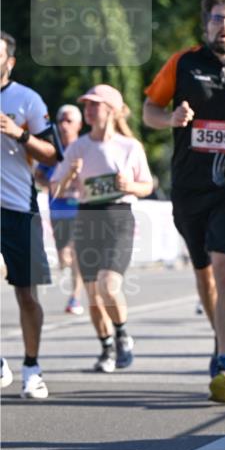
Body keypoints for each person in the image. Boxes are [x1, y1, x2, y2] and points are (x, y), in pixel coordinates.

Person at [143, 0, 225, 402]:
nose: (223, 25)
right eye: (216, 18)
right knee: (204, 274)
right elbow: (148, 111)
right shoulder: (183, 62)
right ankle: (220, 340)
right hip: (190, 186)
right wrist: (170, 118)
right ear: (206, 23)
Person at [52, 85, 153, 372]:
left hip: (118, 217)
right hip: (87, 217)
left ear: (110, 109)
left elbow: (146, 185)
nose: (89, 109)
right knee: (93, 293)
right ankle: (106, 347)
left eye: (95, 104)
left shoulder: (130, 146)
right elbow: (55, 189)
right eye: (86, 104)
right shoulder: (78, 147)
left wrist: (129, 186)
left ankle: (122, 334)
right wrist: (71, 173)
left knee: (110, 285)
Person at [0, 31, 61, 399]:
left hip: (19, 208)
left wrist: (18, 134)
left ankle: (31, 366)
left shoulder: (27, 99)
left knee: (26, 295)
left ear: (10, 61)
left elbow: (53, 155)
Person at [35, 105, 85, 314]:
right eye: (61, 120)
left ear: (79, 125)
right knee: (64, 256)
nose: (64, 125)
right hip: (58, 210)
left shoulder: (85, 148)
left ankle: (75, 297)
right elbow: (39, 175)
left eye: (69, 121)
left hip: (82, 209)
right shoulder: (53, 150)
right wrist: (52, 186)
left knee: (76, 252)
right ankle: (73, 285)